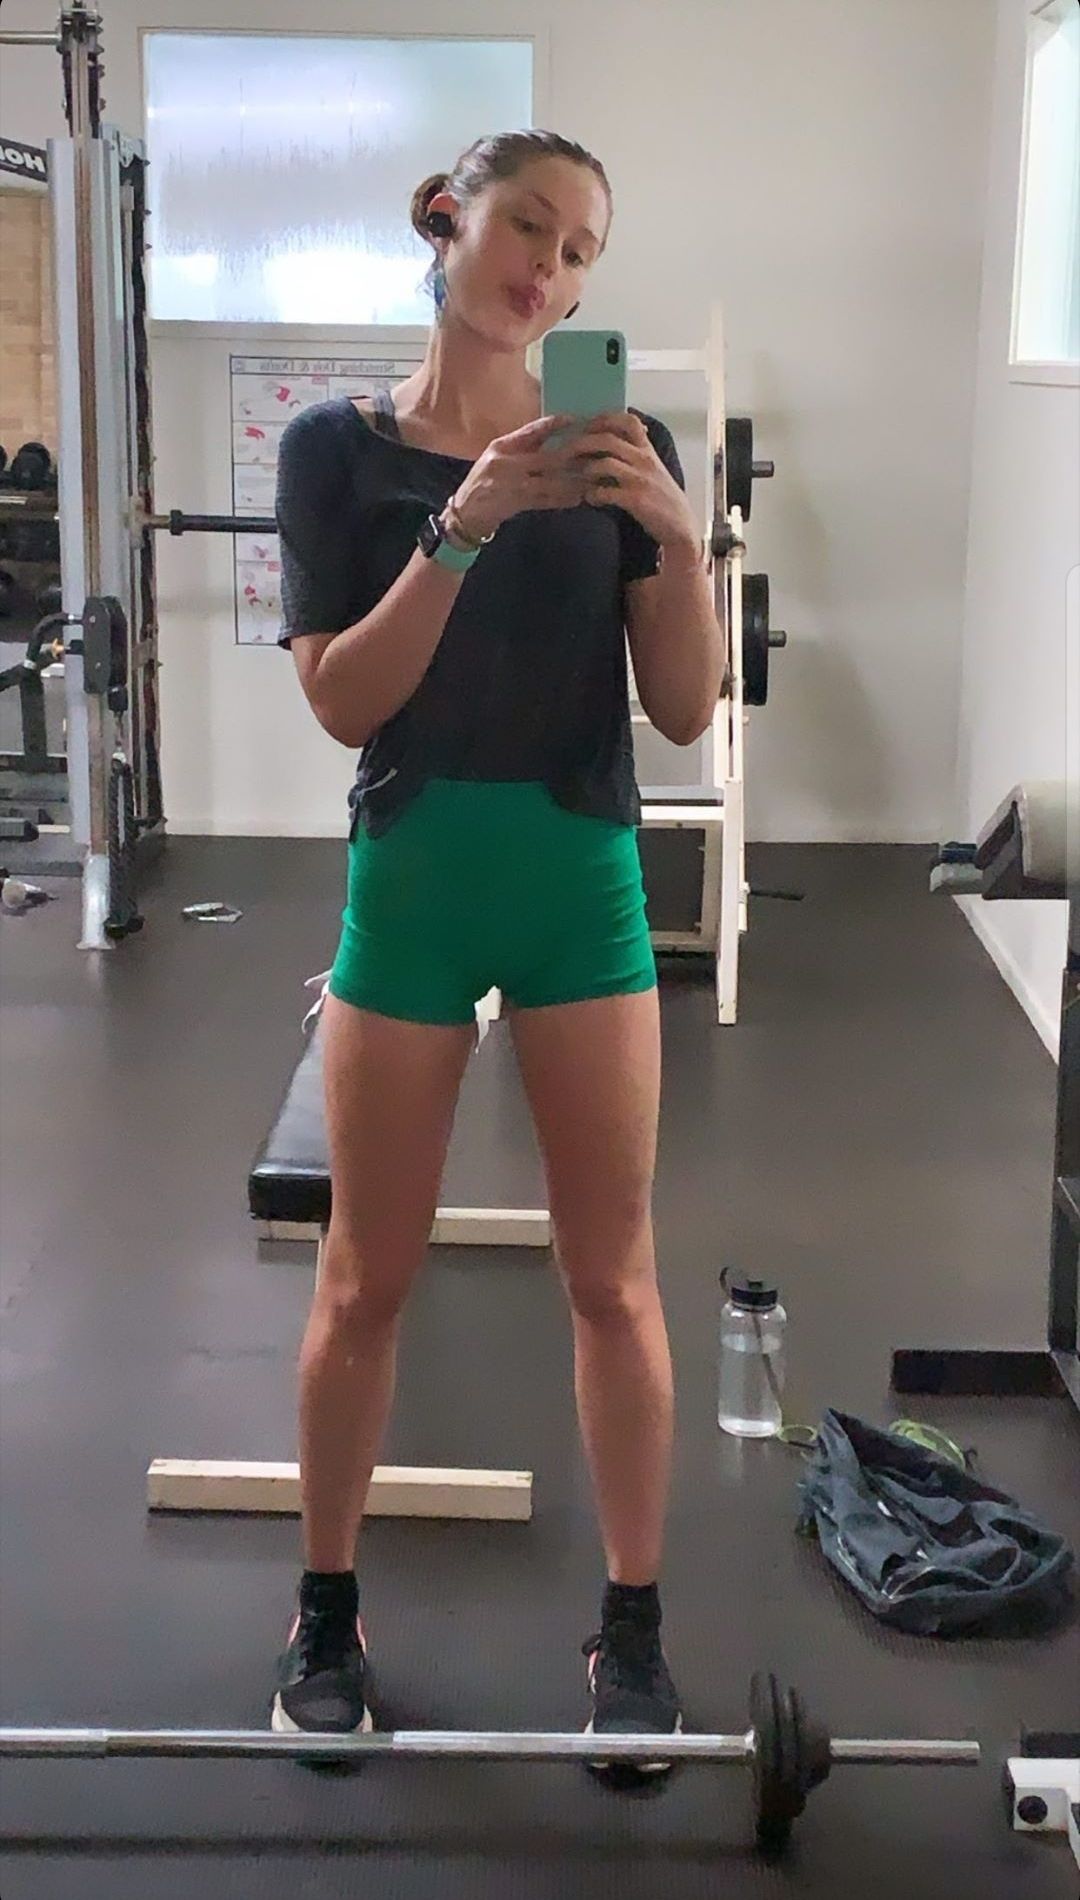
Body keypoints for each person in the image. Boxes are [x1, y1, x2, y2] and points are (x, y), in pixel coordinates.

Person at [271, 128, 724, 1767]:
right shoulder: (337, 451)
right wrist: (457, 528)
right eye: (530, 225)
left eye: (582, 249)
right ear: (446, 218)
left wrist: (679, 537)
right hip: (413, 876)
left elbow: (684, 706)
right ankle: (327, 1613)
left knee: (612, 1276)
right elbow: (343, 702)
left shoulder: (620, 452)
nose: (552, 267)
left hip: (578, 879)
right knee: (363, 1280)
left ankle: (634, 1630)